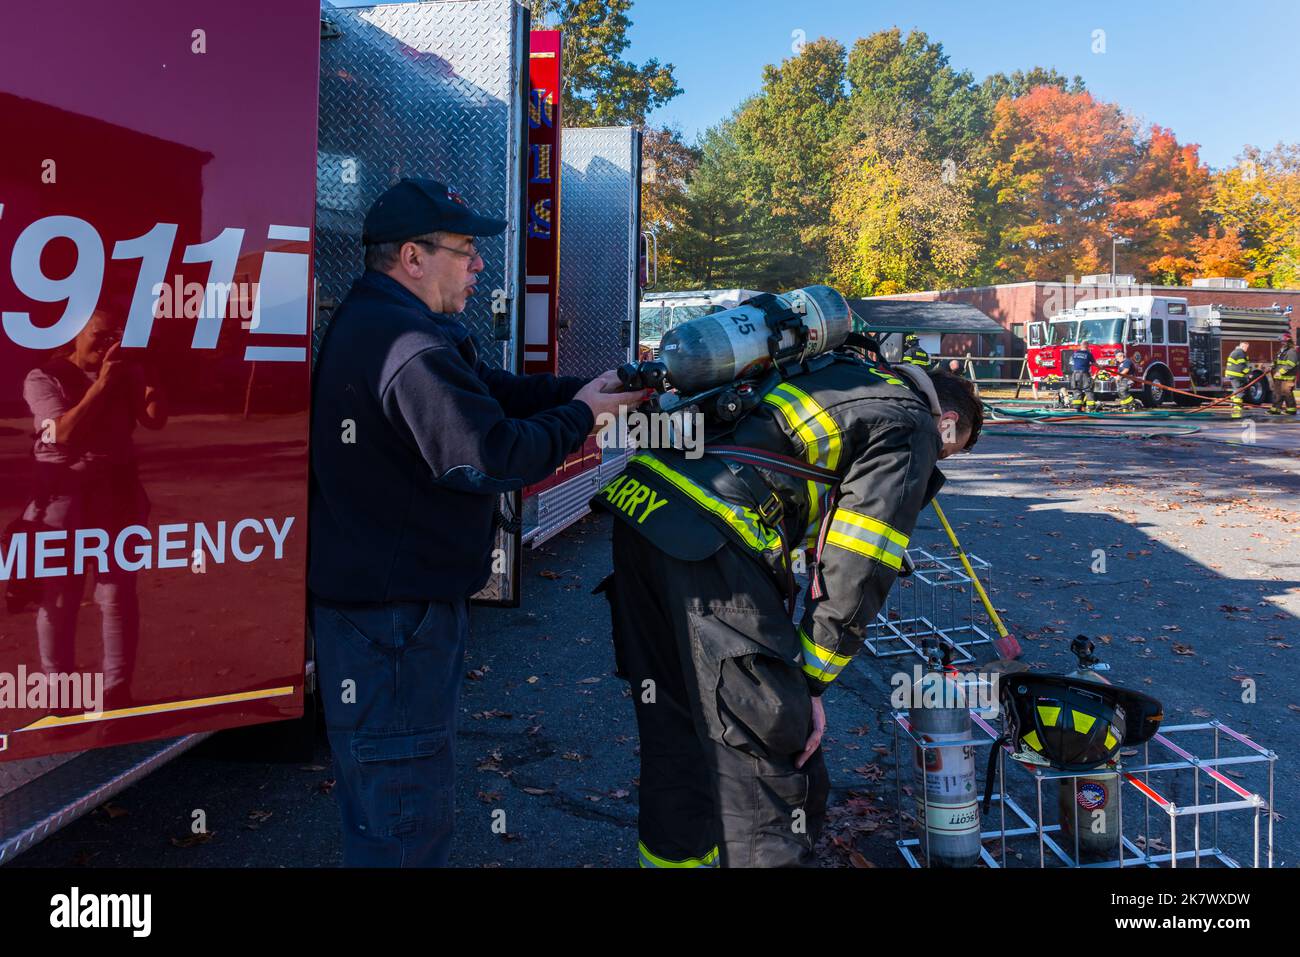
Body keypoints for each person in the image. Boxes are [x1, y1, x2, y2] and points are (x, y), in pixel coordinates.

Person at [308, 177, 644, 867]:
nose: (479, 265)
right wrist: (584, 417)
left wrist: (585, 390)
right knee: (402, 820)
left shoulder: (398, 326)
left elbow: (491, 396)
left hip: (386, 618)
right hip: (391, 626)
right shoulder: (405, 344)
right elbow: (490, 453)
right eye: (465, 250)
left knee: (393, 803)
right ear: (412, 256)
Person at [593, 350, 983, 868]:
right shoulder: (909, 422)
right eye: (948, 451)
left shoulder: (842, 372)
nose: (937, 460)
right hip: (711, 539)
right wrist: (809, 683)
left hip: (642, 512)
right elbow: (860, 564)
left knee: (677, 730)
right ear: (948, 422)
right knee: (772, 746)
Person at [18, 308, 167, 713]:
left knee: (117, 593)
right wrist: (103, 385)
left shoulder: (124, 369)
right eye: (97, 337)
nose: (104, 346)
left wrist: (149, 375)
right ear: (74, 336)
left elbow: (154, 420)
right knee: (60, 596)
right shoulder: (43, 377)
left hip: (116, 489)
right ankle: (58, 693)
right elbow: (62, 434)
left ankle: (116, 692)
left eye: (111, 337)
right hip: (63, 494)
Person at [1267, 334, 1297, 416]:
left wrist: (1280, 372)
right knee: (1277, 393)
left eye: (1284, 342)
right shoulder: (1281, 351)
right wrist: (1272, 365)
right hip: (1279, 377)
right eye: (1281, 342)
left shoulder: (1291, 352)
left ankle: (1291, 410)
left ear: (1288, 342)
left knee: (1287, 394)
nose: (1282, 343)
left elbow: (1290, 364)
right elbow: (1276, 361)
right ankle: (1275, 409)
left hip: (1287, 378)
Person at [1068, 345, 1098, 412]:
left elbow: (1071, 363)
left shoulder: (1074, 354)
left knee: (1077, 390)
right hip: (1084, 374)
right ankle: (1091, 408)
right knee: (1088, 390)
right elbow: (1094, 363)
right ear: (1087, 347)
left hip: (1075, 374)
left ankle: (1077, 408)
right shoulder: (1088, 354)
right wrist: (1099, 366)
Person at [1225, 341, 1250, 419]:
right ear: (1242, 346)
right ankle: (1236, 407)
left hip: (1234, 375)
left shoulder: (1237, 352)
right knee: (1239, 390)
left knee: (1237, 389)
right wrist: (1249, 373)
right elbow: (1242, 366)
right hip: (1236, 375)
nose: (1246, 349)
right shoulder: (1240, 353)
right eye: (1246, 347)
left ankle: (1235, 403)